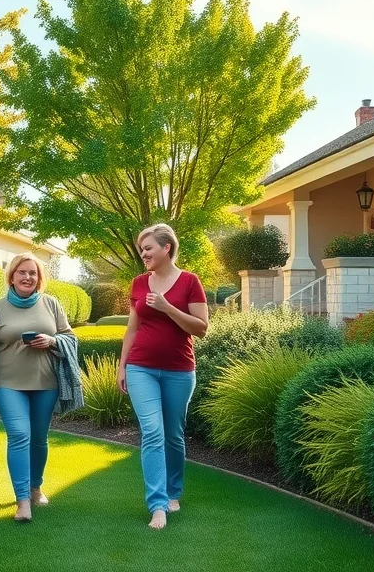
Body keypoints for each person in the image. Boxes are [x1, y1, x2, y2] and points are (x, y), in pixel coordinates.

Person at [117, 223, 209, 530]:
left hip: (180, 371)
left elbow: (201, 328)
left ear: (166, 247)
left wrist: (168, 307)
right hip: (141, 367)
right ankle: (157, 505)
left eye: (148, 248)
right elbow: (132, 328)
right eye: (141, 249)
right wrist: (122, 366)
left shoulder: (190, 282)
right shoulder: (139, 283)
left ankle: (173, 492)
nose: (143, 253)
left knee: (173, 434)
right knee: (153, 432)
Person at [0, 252, 82, 522]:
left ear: (39, 278)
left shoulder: (51, 304)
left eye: (33, 273)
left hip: (46, 382)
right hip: (7, 382)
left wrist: (52, 342)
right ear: (12, 276)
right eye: (22, 272)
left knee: (39, 438)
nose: (28, 277)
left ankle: (36, 487)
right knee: (19, 435)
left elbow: (70, 339)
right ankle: (22, 501)